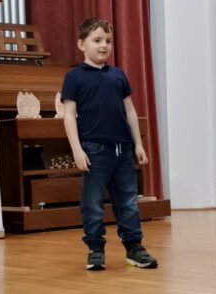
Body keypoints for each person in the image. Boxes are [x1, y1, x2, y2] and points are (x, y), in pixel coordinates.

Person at [61, 18, 158, 271]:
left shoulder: (118, 75)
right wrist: (77, 149)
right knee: (93, 204)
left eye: (108, 41)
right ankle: (95, 249)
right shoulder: (74, 77)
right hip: (94, 151)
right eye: (97, 40)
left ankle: (134, 248)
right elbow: (69, 115)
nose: (104, 45)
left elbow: (130, 111)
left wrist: (138, 144)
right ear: (81, 44)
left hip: (123, 151)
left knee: (128, 202)